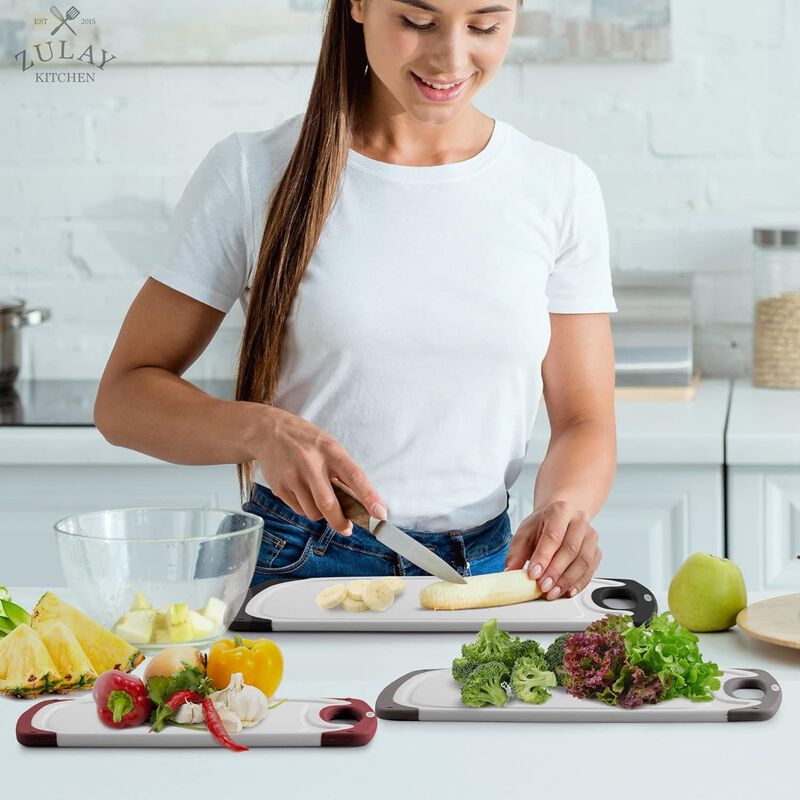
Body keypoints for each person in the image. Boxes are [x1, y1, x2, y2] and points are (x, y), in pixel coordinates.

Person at [94, 0, 617, 598]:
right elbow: (123, 398)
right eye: (418, 22)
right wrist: (258, 430)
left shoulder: (557, 186)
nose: (450, 57)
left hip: (490, 575)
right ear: (360, 6)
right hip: (298, 567)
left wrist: (566, 510)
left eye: (484, 26)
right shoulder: (253, 171)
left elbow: (584, 420)